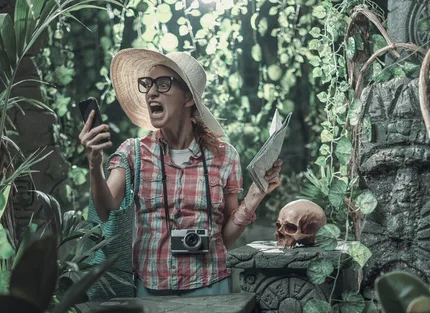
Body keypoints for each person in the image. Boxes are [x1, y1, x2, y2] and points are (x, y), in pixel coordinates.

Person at [79, 49, 282, 297]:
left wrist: (254, 196)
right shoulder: (133, 153)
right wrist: (94, 162)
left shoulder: (224, 156)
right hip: (150, 289)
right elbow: (104, 209)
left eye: (163, 84)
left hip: (212, 287)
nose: (152, 92)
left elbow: (224, 241)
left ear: (188, 99)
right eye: (148, 84)